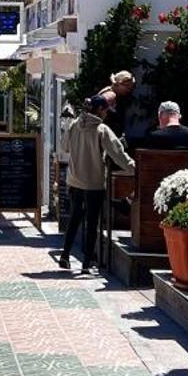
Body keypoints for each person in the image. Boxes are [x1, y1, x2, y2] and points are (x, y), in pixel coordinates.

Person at [55, 94, 133, 274]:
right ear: (99, 110)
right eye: (105, 110)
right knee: (92, 223)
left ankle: (65, 255)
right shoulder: (101, 129)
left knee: (74, 218)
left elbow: (64, 147)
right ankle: (86, 263)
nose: (106, 113)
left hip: (74, 181)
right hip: (94, 184)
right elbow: (118, 154)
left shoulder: (74, 125)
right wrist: (135, 168)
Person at [109, 70, 136, 139]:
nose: (129, 90)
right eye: (128, 87)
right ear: (119, 84)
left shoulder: (118, 97)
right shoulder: (110, 96)